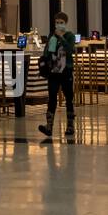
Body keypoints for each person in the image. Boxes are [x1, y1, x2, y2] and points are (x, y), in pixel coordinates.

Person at [39, 13, 77, 141]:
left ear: (65, 23)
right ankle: (49, 126)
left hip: (66, 70)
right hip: (54, 71)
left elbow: (70, 50)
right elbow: (47, 51)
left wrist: (61, 37)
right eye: (57, 22)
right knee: (52, 98)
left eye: (61, 22)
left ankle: (70, 125)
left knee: (69, 97)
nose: (58, 24)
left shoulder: (70, 36)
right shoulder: (52, 35)